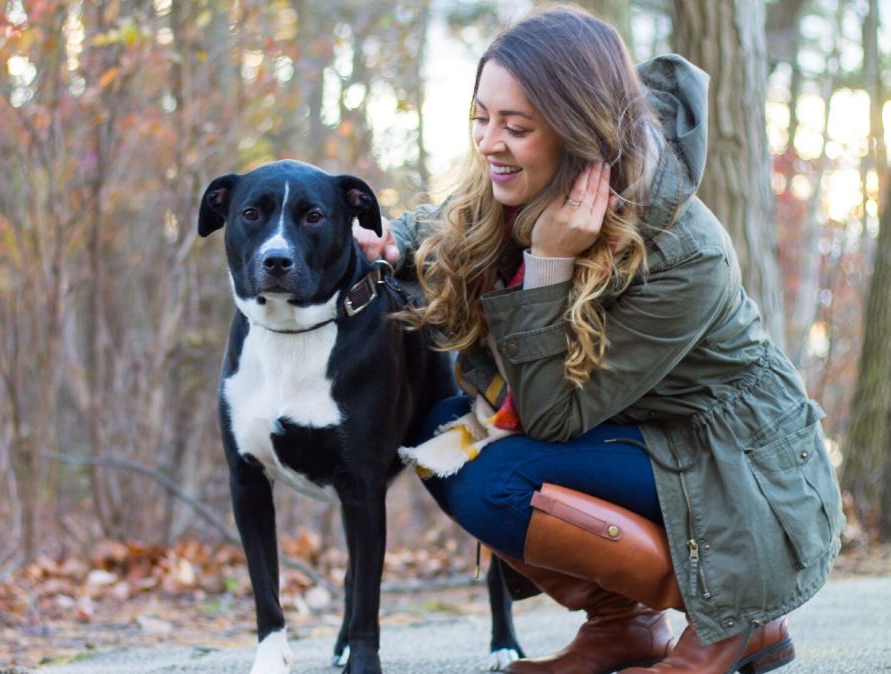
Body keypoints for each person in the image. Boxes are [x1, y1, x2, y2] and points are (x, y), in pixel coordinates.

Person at [355, 6, 844, 674]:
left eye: (514, 126)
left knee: (500, 482)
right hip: (639, 435)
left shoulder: (684, 252)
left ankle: (736, 615)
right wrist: (394, 240)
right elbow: (451, 219)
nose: (489, 142)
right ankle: (623, 624)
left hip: (733, 467)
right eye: (482, 117)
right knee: (443, 441)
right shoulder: (521, 181)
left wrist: (550, 265)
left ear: (576, 128)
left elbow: (552, 417)